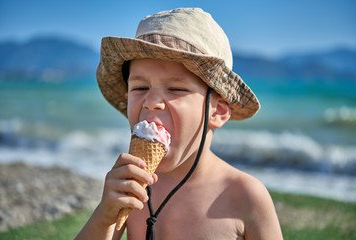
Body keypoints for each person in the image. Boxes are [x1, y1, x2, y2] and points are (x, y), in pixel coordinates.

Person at [76, 8, 283, 240]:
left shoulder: (244, 196)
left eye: (176, 88)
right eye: (140, 88)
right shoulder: (132, 186)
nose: (151, 103)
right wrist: (105, 215)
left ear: (218, 112)